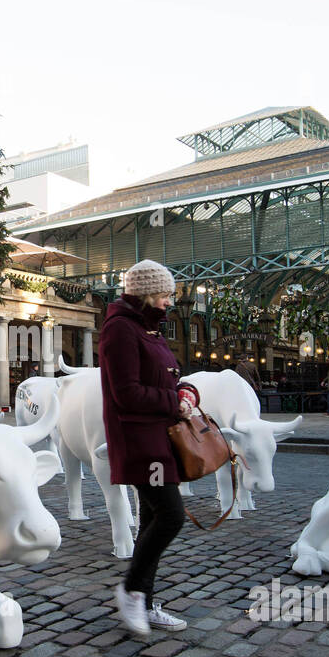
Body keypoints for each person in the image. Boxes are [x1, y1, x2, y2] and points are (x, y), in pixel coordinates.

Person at [99, 259, 198, 637]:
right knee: (170, 515)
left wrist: (185, 392)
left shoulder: (147, 329)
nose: (169, 303)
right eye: (164, 295)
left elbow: (167, 377)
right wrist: (175, 403)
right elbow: (127, 393)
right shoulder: (121, 330)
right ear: (145, 294)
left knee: (157, 519)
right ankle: (131, 590)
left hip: (158, 438)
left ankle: (143, 597)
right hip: (142, 444)